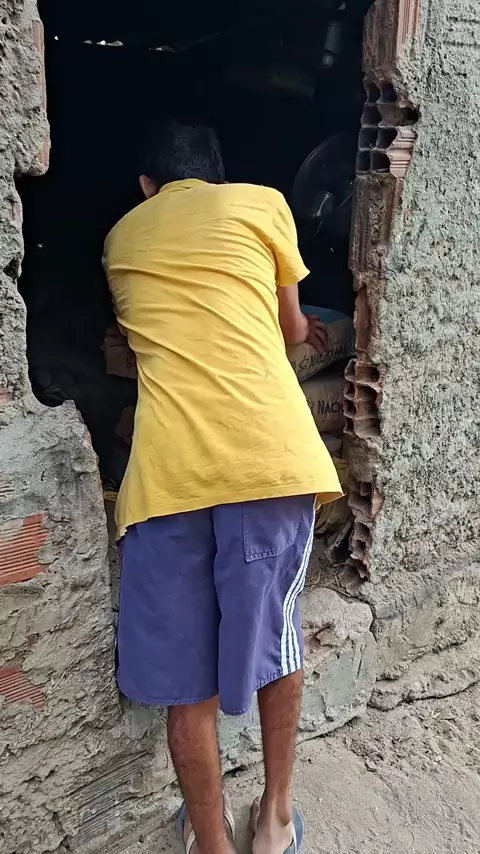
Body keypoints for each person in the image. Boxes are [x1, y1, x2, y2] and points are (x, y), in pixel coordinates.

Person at [103, 121, 342, 854]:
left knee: (188, 686)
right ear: (217, 176)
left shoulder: (121, 238)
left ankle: (209, 843)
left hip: (167, 478)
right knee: (276, 636)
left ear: (147, 187)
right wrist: (302, 329)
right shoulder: (263, 204)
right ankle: (274, 820)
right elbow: (291, 328)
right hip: (269, 460)